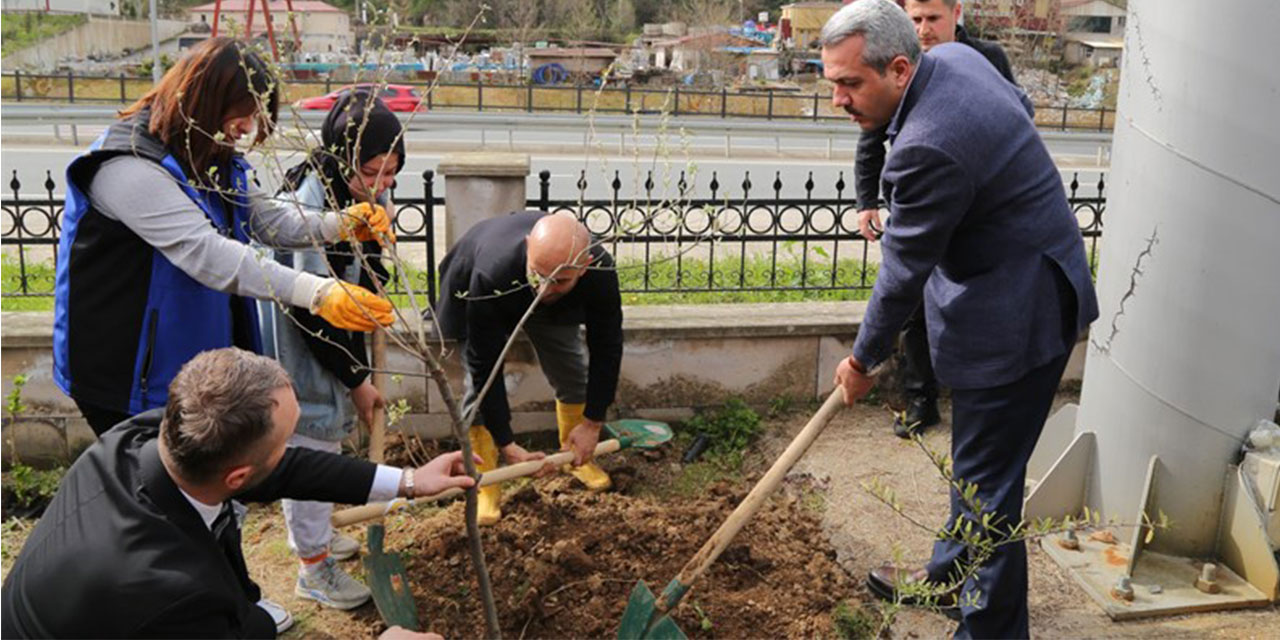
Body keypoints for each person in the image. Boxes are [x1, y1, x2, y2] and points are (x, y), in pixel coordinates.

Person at [821, 1, 1098, 637]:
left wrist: (863, 361)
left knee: (987, 491)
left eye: (850, 83)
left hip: (1016, 314)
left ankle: (989, 631)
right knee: (978, 465)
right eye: (831, 81)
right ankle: (950, 578)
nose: (838, 99)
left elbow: (900, 275)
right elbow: (1019, 115)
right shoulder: (952, 57)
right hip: (1024, 281)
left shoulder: (927, 147)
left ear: (897, 68)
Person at [53, 37, 396, 437]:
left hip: (190, 365)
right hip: (128, 376)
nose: (248, 128)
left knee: (205, 489)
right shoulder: (127, 166)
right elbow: (205, 253)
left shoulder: (207, 155)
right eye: (244, 114)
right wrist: (316, 293)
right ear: (207, 101)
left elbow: (266, 222)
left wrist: (341, 224)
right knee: (155, 491)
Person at [0, 348, 473, 638]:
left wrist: (407, 482)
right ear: (238, 478)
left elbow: (286, 470)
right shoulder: (173, 595)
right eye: (286, 442)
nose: (291, 452)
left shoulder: (139, 439)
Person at [260, 89, 405, 611]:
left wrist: (378, 274)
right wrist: (356, 380)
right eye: (374, 173)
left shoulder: (360, 187)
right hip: (304, 341)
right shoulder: (308, 202)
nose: (384, 185)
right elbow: (309, 311)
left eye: (391, 174)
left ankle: (318, 534)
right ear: (345, 159)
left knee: (328, 435)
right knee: (310, 441)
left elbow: (365, 257)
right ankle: (312, 568)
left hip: (337, 334)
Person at [853, 0, 1018, 439]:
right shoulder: (897, 66)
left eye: (933, 19)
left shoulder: (987, 58)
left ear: (955, 13)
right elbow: (870, 134)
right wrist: (867, 200)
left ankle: (975, 398)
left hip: (978, 214)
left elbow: (1018, 118)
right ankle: (921, 399)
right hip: (923, 204)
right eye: (916, 20)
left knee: (973, 304)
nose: (924, 29)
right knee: (911, 304)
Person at [434, 211, 623, 525]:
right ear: (527, 247)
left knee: (572, 367)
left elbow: (607, 344)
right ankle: (486, 480)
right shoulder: (492, 271)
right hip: (487, 286)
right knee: (476, 386)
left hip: (556, 297)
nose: (544, 289)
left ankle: (575, 456)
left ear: (585, 266)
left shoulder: (599, 270)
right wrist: (507, 442)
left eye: (559, 280)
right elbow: (486, 366)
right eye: (540, 275)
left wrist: (592, 423)